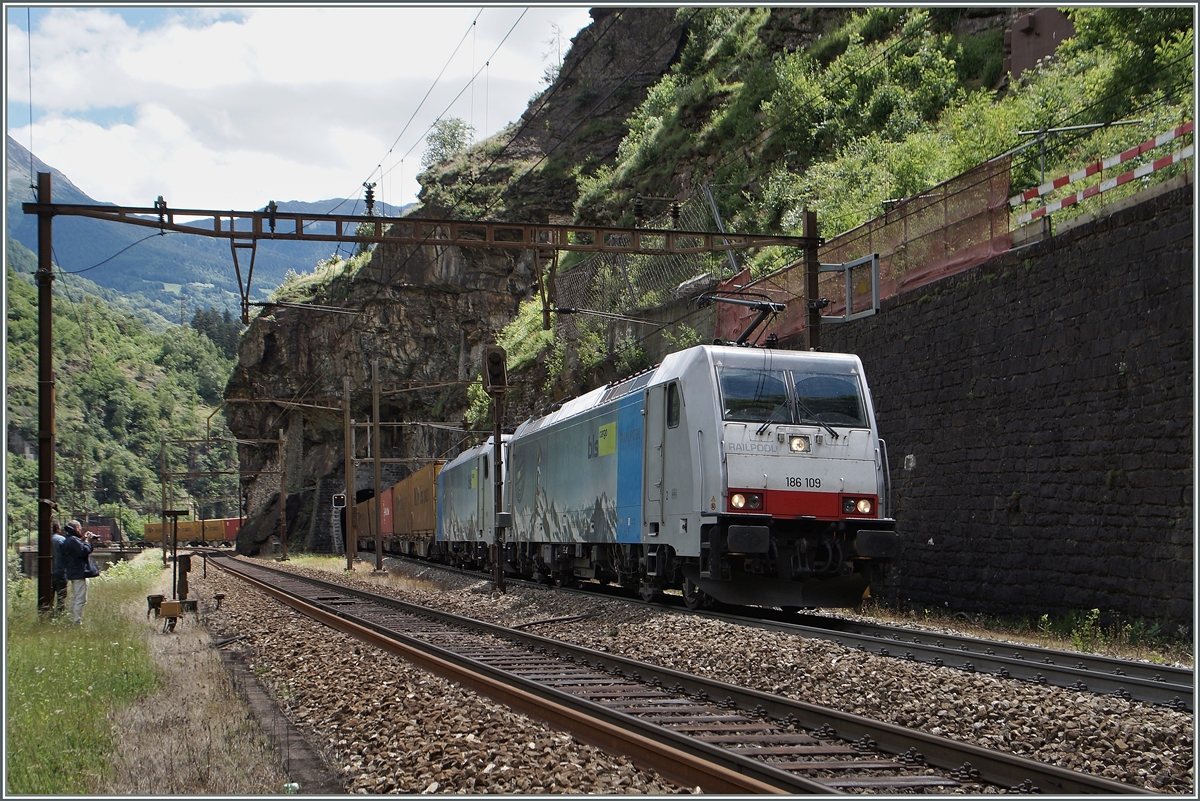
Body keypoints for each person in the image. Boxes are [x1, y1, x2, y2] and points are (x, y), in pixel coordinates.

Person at [60, 520, 96, 625]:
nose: (80, 531)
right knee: (80, 599)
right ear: (76, 528)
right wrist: (89, 542)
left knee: (75, 598)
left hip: (72, 573)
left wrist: (83, 540)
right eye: (79, 529)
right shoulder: (73, 540)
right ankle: (76, 622)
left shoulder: (68, 540)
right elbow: (83, 552)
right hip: (79, 573)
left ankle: (70, 618)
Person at [51, 521, 68, 615]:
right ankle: (59, 615)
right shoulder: (61, 539)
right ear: (58, 528)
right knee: (61, 598)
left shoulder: (44, 540)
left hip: (47, 573)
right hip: (60, 571)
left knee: (47, 597)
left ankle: (47, 615)